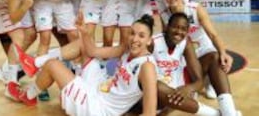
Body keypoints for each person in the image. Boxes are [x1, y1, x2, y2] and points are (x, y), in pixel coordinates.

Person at [14, 13, 158, 116]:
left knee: (52, 65)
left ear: (149, 40)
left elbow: (150, 114)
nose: (134, 39)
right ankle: (35, 63)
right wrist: (84, 32)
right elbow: (93, 51)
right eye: (132, 33)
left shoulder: (147, 68)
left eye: (141, 36)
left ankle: (29, 94)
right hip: (100, 86)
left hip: (100, 108)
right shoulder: (125, 48)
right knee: (83, 43)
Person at [160, 0, 240, 116]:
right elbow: (166, 42)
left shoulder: (195, 8)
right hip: (185, 59)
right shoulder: (164, 15)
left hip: (204, 52)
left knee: (216, 57)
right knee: (173, 99)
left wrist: (223, 52)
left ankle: (228, 111)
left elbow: (213, 35)